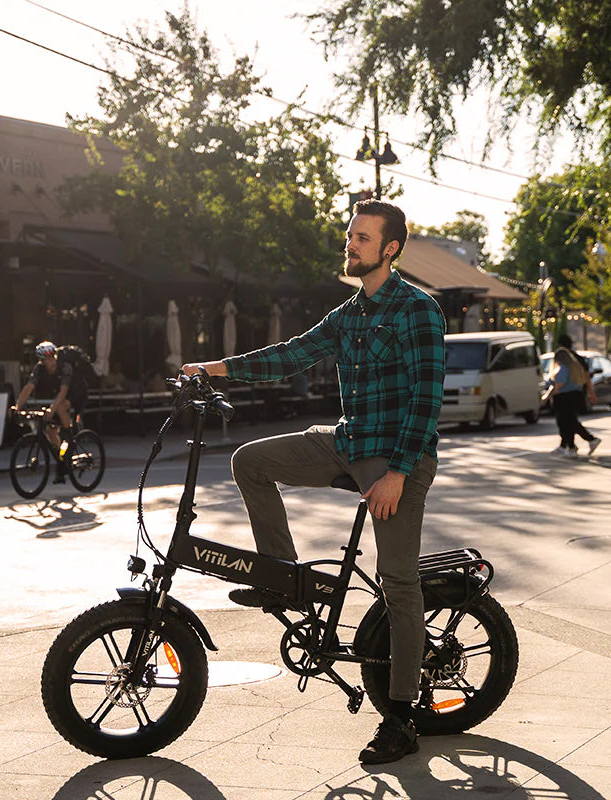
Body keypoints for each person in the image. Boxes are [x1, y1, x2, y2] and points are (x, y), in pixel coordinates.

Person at [181, 199, 444, 765]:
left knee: (398, 583)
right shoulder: (349, 314)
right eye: (350, 235)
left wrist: (398, 473)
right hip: (348, 442)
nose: (350, 245)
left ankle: (400, 716)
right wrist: (213, 369)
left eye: (362, 238)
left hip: (398, 455)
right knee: (250, 461)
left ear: (390, 249)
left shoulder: (417, 310)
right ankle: (280, 574)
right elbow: (290, 356)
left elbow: (426, 401)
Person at [12, 341, 90, 453]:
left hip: (77, 392)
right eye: (47, 359)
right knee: (50, 431)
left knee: (59, 407)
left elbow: (63, 392)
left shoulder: (65, 366)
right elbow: (28, 388)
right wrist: (17, 407)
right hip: (60, 394)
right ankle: (61, 456)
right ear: (42, 361)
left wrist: (51, 410)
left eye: (52, 357)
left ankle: (70, 436)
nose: (51, 361)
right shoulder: (39, 369)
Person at [544, 347, 601, 456]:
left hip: (564, 398)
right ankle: (569, 445)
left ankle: (577, 444)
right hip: (575, 396)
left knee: (567, 422)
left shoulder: (562, 368)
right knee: (570, 422)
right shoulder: (575, 367)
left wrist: (548, 396)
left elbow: (558, 385)